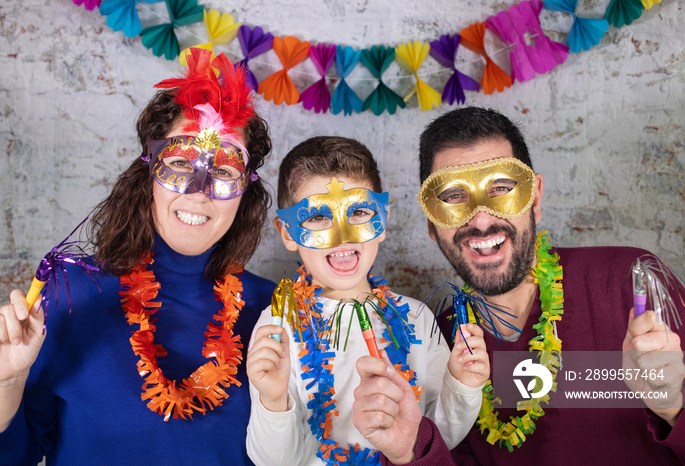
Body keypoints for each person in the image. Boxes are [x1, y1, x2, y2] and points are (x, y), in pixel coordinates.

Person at [0, 49, 275, 465]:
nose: (199, 188)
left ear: (245, 189)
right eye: (180, 162)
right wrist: (6, 381)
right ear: (149, 173)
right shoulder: (73, 295)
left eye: (224, 170)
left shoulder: (273, 310)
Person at [367, 106, 685, 465]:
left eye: (501, 188)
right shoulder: (436, 345)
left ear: (534, 198)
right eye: (454, 197)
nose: (482, 219)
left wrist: (674, 407)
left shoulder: (630, 284)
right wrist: (409, 452)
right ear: (432, 224)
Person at [244, 136, 489, 466]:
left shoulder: (416, 319)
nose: (342, 235)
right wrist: (272, 399)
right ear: (288, 232)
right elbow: (272, 461)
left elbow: (438, 438)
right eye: (317, 217)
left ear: (382, 218)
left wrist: (463, 386)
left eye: (359, 211)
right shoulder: (278, 324)